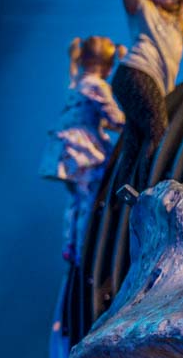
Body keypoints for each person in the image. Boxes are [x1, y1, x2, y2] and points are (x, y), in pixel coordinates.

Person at [41, 35, 126, 262]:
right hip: (83, 151)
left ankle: (71, 245)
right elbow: (115, 117)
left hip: (68, 150)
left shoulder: (78, 82)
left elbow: (90, 115)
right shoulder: (97, 86)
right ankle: (83, 250)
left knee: (76, 200)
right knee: (88, 200)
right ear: (104, 65)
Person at [110, 0, 183, 190]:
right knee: (158, 129)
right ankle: (149, 187)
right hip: (136, 72)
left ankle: (123, 190)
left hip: (150, 80)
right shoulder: (144, 9)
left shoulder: (177, 24)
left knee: (135, 138)